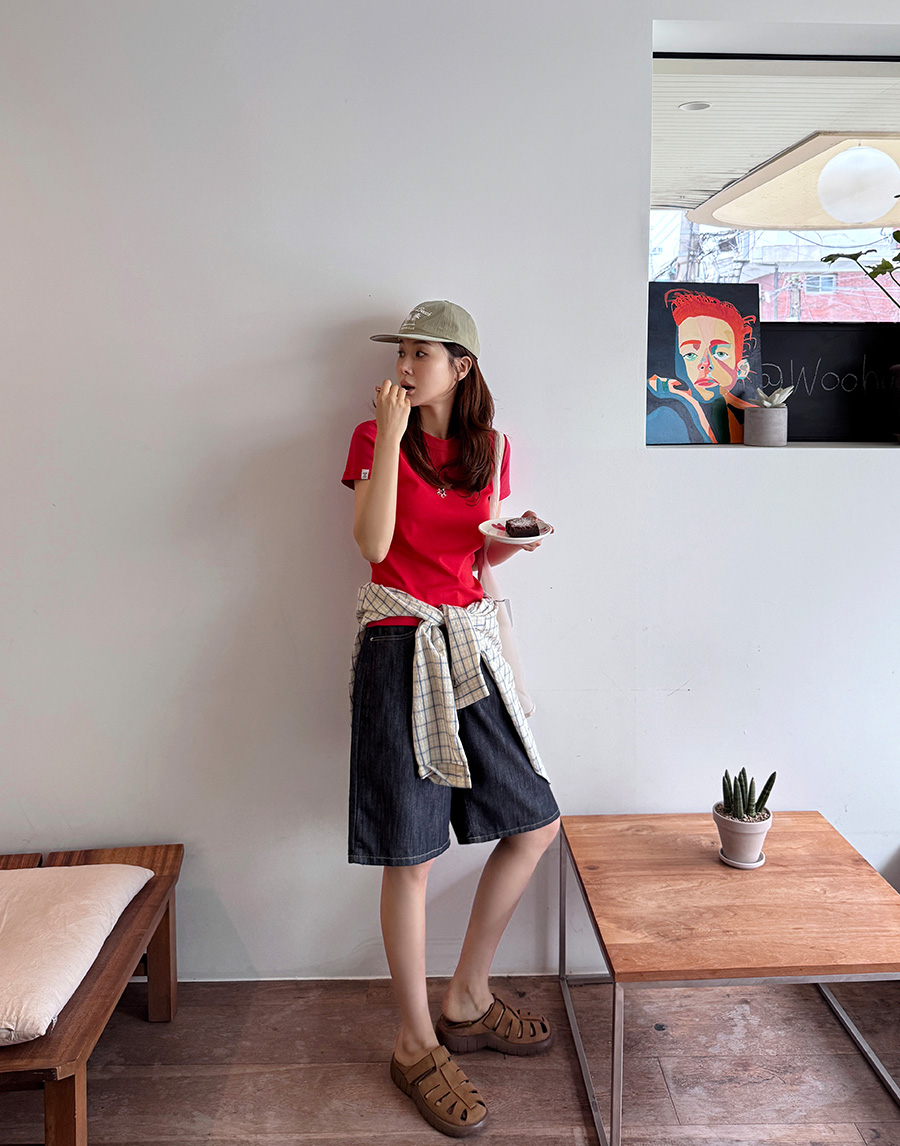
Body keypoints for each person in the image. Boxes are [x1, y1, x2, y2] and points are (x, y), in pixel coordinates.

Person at [341, 300, 560, 1137]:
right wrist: (390, 441)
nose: (403, 367)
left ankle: (468, 994)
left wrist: (516, 541)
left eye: (420, 354)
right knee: (412, 854)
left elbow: (474, 551)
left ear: (460, 366)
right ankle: (414, 1042)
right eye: (400, 353)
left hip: (469, 643)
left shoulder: (490, 449)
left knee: (534, 823)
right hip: (398, 646)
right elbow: (374, 544)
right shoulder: (373, 437)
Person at [647, 289, 757, 443]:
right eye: (690, 354)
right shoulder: (665, 418)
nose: (705, 364)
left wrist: (688, 401)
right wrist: (687, 401)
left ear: (742, 369)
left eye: (720, 353)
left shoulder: (757, 418)